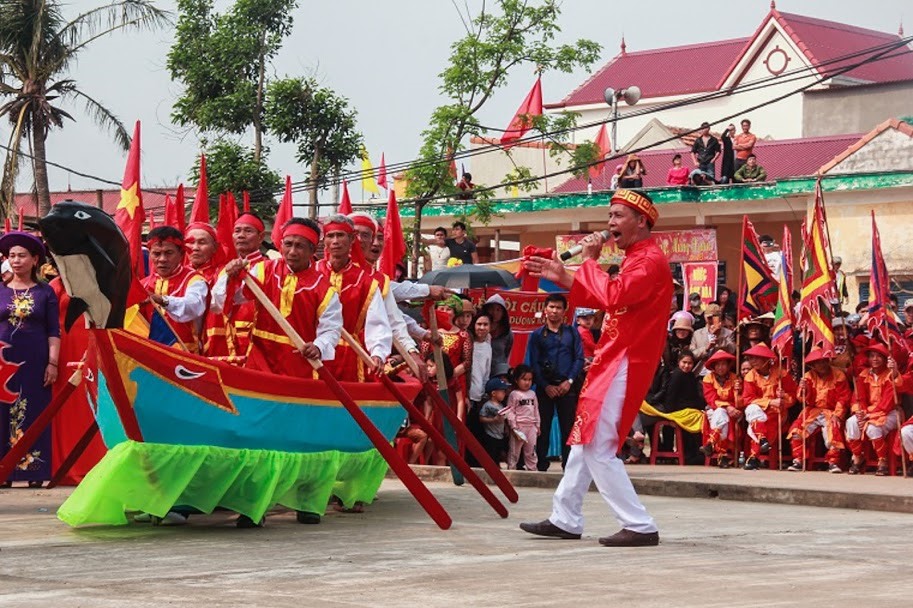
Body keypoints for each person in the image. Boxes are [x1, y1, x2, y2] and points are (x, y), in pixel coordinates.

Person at [519, 188, 671, 547]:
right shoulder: (636, 257)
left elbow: (614, 296)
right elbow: (608, 294)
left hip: (626, 361)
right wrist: (565, 275)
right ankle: (565, 517)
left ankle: (639, 524)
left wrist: (588, 261)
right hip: (613, 357)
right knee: (584, 440)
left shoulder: (649, 261)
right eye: (610, 216)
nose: (610, 223)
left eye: (618, 216)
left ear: (641, 221)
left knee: (598, 444)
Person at [0, 232, 61, 488]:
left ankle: (34, 470)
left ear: (35, 260)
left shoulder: (45, 293)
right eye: (12, 256)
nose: (16, 261)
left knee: (34, 411)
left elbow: (53, 331)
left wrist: (53, 362)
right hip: (3, 360)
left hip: (36, 360)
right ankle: (4, 472)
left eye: (22, 256)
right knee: (3, 414)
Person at [314, 215, 390, 382]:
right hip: (313, 353)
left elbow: (377, 323)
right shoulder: (312, 272)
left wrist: (378, 352)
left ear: (351, 239)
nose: (335, 241)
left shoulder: (366, 281)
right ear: (324, 241)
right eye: (330, 236)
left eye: (340, 235)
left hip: (350, 355)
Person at [526, 293, 584, 471]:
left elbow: (579, 359)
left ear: (564, 311)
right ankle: (540, 464)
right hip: (545, 388)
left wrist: (569, 381)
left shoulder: (572, 333)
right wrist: (545, 385)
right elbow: (533, 363)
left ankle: (569, 466)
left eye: (558, 307)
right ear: (545, 310)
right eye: (551, 307)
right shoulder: (537, 335)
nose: (554, 311)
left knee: (568, 428)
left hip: (568, 386)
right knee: (542, 427)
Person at [205, 212, 267, 358]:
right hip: (229, 342)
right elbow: (216, 305)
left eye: (248, 231)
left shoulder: (269, 267)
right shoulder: (224, 271)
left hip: (259, 342)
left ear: (261, 237)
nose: (241, 235)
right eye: (237, 231)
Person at [141, 226, 209, 353]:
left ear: (181, 255)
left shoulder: (194, 281)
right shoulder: (143, 285)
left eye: (168, 253)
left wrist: (162, 300)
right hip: (152, 357)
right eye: (156, 253)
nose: (162, 259)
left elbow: (193, 306)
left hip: (186, 356)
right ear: (149, 254)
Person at [787, 348, 851, 473]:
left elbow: (844, 398)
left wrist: (837, 414)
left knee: (834, 428)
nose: (821, 365)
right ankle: (798, 460)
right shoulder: (808, 376)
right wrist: (803, 390)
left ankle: (833, 462)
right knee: (796, 429)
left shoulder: (839, 375)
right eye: (817, 362)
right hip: (812, 410)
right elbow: (802, 400)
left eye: (823, 361)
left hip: (831, 411)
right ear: (813, 364)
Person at [846, 343, 903, 476]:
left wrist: (868, 416)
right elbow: (858, 397)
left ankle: (882, 461)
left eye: (879, 356)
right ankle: (857, 456)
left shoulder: (891, 375)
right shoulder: (864, 374)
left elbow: (887, 403)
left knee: (873, 428)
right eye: (872, 356)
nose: (875, 359)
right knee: (851, 422)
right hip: (868, 412)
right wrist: (860, 412)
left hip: (891, 412)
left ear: (885, 359)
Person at [740, 342, 797, 470]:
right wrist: (770, 402)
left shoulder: (781, 373)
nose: (752, 361)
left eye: (756, 358)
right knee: (753, 411)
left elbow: (793, 395)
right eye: (751, 358)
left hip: (778, 412)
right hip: (758, 411)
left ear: (766, 359)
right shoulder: (750, 376)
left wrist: (783, 398)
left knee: (758, 421)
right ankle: (759, 446)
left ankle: (755, 455)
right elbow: (748, 399)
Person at [700, 350, 741, 468]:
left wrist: (737, 391)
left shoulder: (735, 378)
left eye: (723, 364)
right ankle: (722, 455)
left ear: (728, 365)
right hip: (714, 408)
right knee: (720, 414)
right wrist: (727, 407)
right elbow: (711, 399)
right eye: (717, 364)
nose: (720, 367)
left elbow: (740, 400)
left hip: (734, 409)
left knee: (721, 417)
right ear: (713, 366)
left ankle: (711, 443)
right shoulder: (708, 378)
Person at [500, 364, 540, 471]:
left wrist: (537, 426)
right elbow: (510, 411)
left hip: (531, 426)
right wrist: (514, 427)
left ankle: (532, 470)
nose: (527, 382)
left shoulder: (532, 394)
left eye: (529, 379)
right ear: (517, 380)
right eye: (524, 379)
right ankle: (512, 470)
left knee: (531, 451)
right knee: (514, 452)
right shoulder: (514, 394)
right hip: (519, 427)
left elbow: (536, 410)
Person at [690, 303, 736, 375]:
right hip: (701, 372)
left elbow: (732, 350)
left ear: (720, 318)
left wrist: (719, 337)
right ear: (705, 317)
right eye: (709, 318)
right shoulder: (697, 334)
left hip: (721, 373)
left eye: (715, 317)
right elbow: (692, 355)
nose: (712, 320)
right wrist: (706, 348)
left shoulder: (728, 333)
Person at [478, 377, 510, 464]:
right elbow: (481, 418)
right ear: (494, 393)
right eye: (502, 391)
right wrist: (493, 420)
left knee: (499, 453)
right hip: (490, 435)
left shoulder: (501, 405)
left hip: (500, 434)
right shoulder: (487, 405)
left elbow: (504, 418)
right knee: (491, 454)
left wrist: (506, 427)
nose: (504, 393)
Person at [482, 294, 513, 377]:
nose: (494, 312)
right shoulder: (480, 328)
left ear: (503, 313)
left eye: (498, 310)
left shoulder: (507, 333)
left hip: (497, 373)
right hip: (480, 370)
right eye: (491, 309)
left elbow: (506, 352)